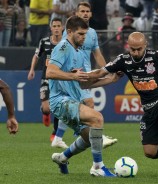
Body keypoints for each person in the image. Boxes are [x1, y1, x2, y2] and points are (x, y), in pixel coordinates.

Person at [81, 31, 158, 177]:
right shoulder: (123, 60)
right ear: (128, 46)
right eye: (132, 49)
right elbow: (100, 73)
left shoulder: (155, 56)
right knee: (150, 151)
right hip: (148, 108)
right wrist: (81, 76)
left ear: (145, 45)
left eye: (139, 49)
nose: (135, 52)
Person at [46, 16, 117, 176]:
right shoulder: (63, 46)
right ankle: (97, 167)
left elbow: (83, 83)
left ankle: (62, 157)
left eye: (85, 34)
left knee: (89, 138)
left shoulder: (78, 52)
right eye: (80, 34)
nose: (84, 37)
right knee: (97, 118)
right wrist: (73, 77)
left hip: (71, 100)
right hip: (60, 100)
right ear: (69, 32)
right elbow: (50, 72)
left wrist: (110, 80)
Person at [61, 1, 118, 149]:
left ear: (91, 14)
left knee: (80, 108)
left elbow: (97, 53)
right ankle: (97, 137)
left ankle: (63, 148)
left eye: (87, 11)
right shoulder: (69, 33)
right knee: (88, 104)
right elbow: (63, 52)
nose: (85, 13)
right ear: (77, 13)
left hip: (87, 74)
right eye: (82, 11)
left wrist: (107, 69)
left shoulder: (91, 33)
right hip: (74, 75)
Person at [27, 17, 67, 148]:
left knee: (57, 107)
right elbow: (36, 56)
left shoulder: (66, 42)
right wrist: (32, 69)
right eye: (54, 26)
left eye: (58, 26)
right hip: (46, 77)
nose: (56, 28)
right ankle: (45, 113)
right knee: (46, 108)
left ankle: (55, 133)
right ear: (51, 28)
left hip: (60, 78)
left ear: (62, 28)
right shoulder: (44, 42)